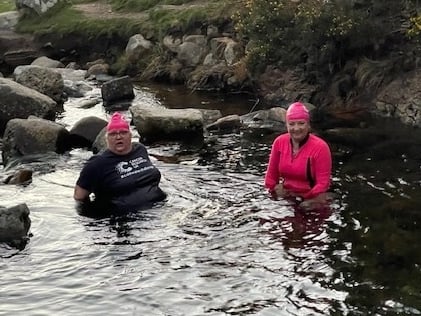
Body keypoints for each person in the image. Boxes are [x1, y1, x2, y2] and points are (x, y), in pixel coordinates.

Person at [74, 112, 166, 214]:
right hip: (128, 219)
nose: (118, 137)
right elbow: (79, 197)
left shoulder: (140, 149)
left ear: (130, 135)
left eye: (123, 132)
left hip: (160, 208)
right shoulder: (96, 164)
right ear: (107, 138)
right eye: (113, 134)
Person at [264, 102, 332, 208]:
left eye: (301, 123)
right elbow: (270, 178)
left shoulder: (321, 148)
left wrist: (305, 199)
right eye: (292, 124)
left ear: (308, 124)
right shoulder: (279, 142)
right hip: (286, 197)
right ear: (286, 125)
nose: (296, 128)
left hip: (311, 198)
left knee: (305, 209)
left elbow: (323, 184)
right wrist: (274, 192)